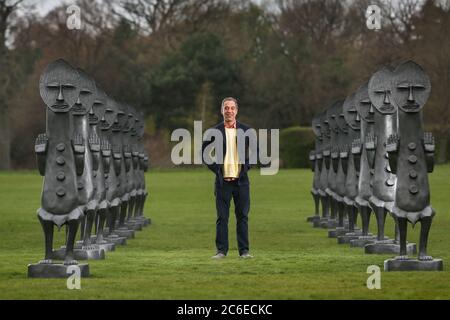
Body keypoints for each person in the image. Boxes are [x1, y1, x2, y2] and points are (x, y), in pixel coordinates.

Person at [202, 97, 254, 259]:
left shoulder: (247, 130)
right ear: (222, 111)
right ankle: (221, 251)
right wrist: (217, 169)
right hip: (222, 183)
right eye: (226, 108)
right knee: (222, 218)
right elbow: (203, 153)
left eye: (232, 108)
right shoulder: (214, 132)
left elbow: (256, 153)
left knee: (242, 217)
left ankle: (244, 251)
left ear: (236, 111)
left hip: (241, 183)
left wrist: (244, 168)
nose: (229, 111)